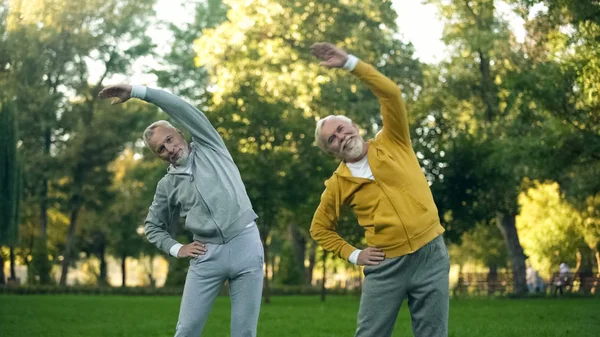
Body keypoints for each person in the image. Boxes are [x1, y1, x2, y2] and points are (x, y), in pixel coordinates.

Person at [98, 84, 264, 337]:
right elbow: (152, 227)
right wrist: (177, 248)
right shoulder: (167, 185)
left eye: (169, 139)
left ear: (179, 132)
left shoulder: (211, 147)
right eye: (160, 149)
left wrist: (137, 92)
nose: (169, 149)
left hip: (246, 245)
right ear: (158, 156)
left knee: (244, 332)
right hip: (207, 256)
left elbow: (180, 107)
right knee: (186, 330)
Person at [309, 42, 450, 337]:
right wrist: (354, 255)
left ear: (355, 127)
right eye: (332, 139)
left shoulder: (394, 141)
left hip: (431, 256)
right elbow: (320, 229)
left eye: (341, 128)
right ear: (331, 152)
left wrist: (350, 63)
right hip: (386, 266)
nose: (340, 137)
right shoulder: (338, 184)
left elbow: (391, 93)